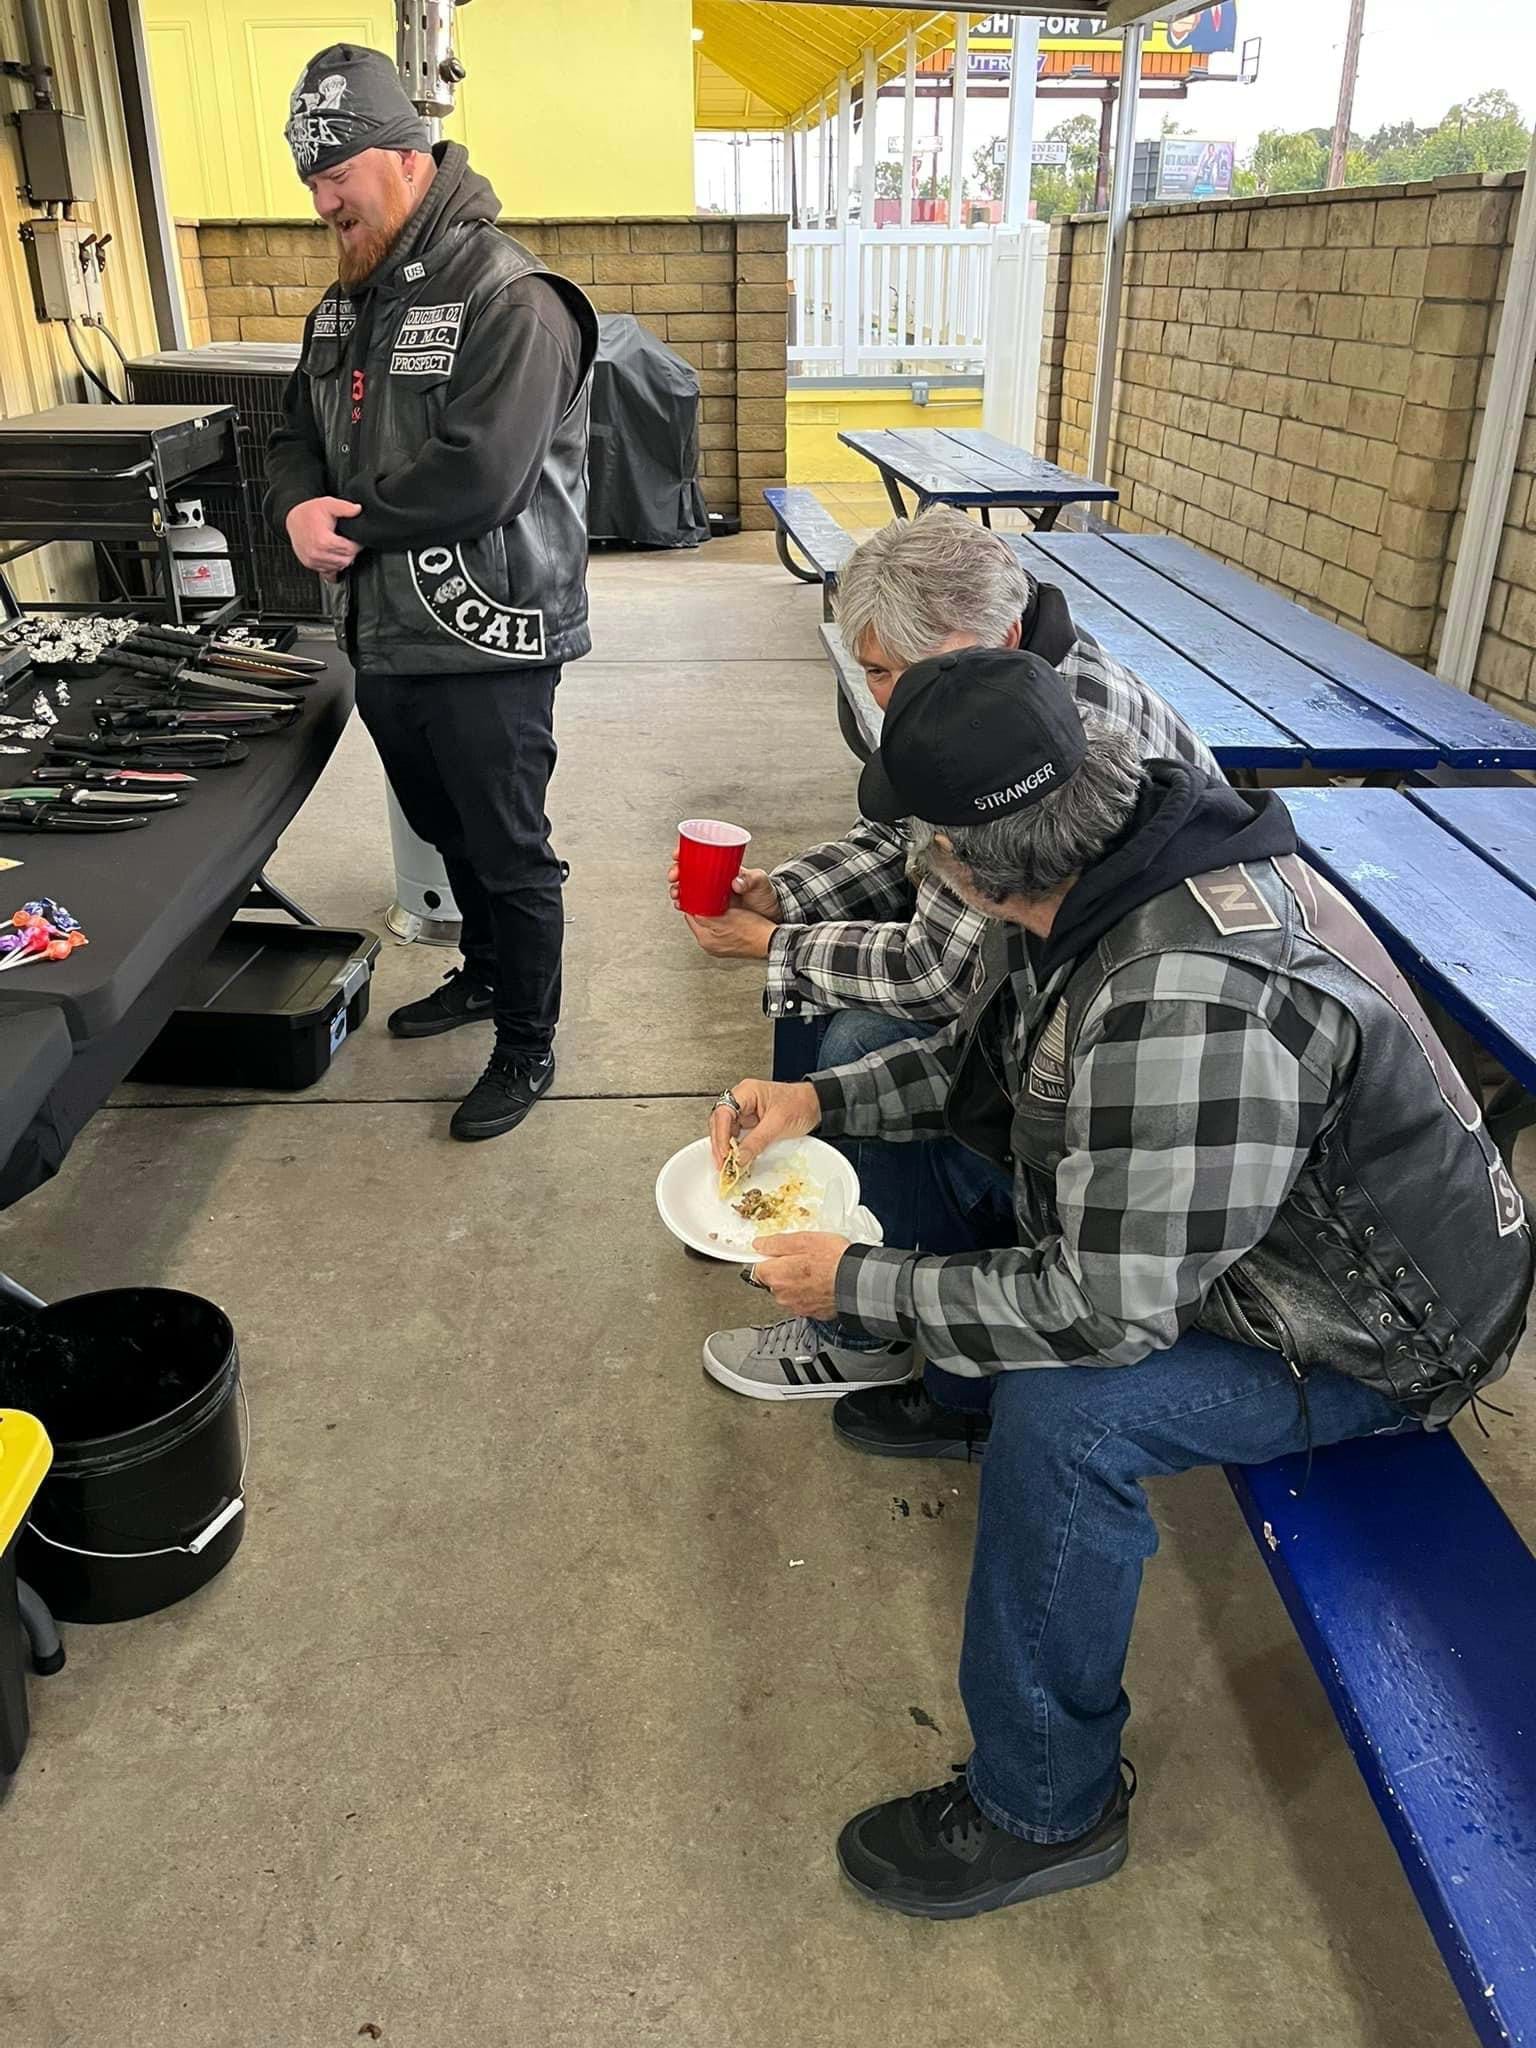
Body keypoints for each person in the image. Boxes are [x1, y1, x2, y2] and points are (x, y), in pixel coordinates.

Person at [705, 645, 1531, 1920]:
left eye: (923, 842)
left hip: (1376, 1326)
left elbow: (1104, 1310)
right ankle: (954, 1398)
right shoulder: (1113, 860)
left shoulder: (1185, 992)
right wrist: (819, 1098)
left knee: (1066, 1419)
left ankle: (1045, 1804)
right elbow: (992, 1069)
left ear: (971, 860)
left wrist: (861, 1285)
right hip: (1245, 1238)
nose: (918, 861)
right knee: (962, 1182)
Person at [680, 510, 1220, 1399]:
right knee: (842, 1042)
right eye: (871, 671)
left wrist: (774, 946)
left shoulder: (1049, 743)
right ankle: (802, 1227)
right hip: (1067, 1002)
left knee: (860, 1034)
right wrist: (790, 896)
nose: (886, 698)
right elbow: (903, 835)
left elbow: (941, 976)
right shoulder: (986, 692)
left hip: (1127, 1086)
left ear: (999, 637)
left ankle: (874, 1338)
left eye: (895, 671)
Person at [266, 44, 597, 1142]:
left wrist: (347, 524)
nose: (324, 203)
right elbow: (292, 434)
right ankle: (487, 973)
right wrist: (296, 507)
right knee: (445, 826)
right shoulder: (342, 305)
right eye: (311, 182)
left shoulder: (513, 296)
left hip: (488, 637)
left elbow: (483, 474)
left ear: (407, 158)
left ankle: (529, 1042)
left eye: (337, 176)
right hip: (383, 634)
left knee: (509, 849)